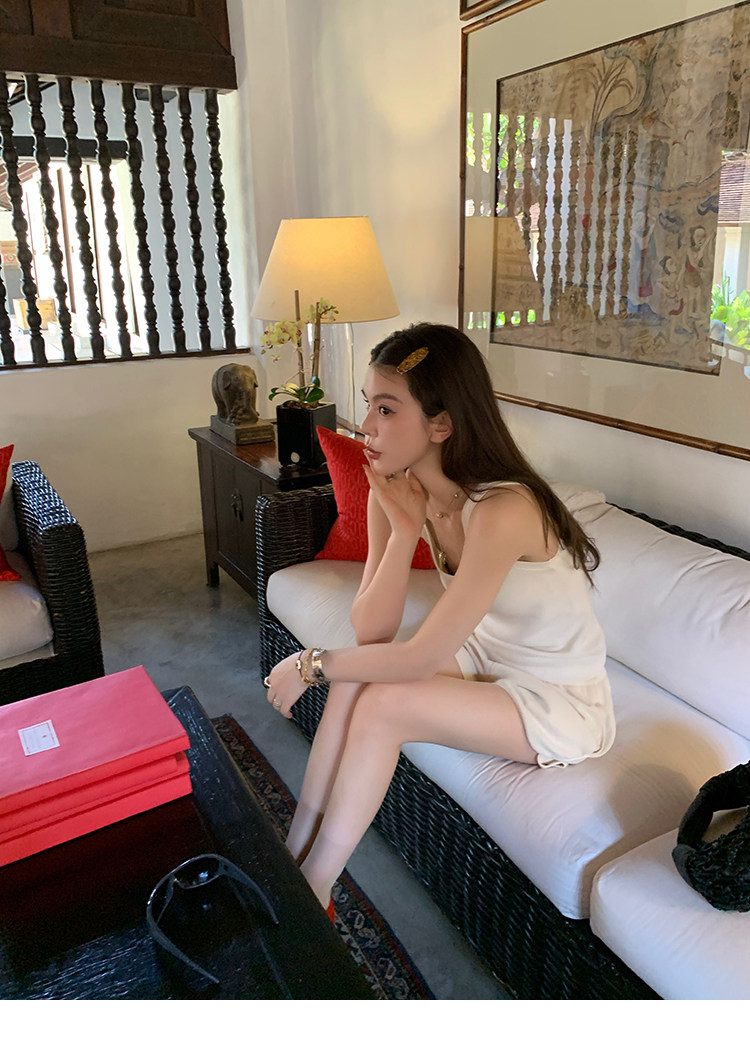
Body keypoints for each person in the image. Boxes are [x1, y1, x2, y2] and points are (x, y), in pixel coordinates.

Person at [263, 322, 615, 914]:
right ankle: (293, 852)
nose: (366, 426)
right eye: (368, 405)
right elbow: (372, 630)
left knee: (382, 704)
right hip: (486, 655)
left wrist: (309, 663)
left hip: (556, 696)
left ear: (441, 425)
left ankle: (313, 891)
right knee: (357, 679)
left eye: (386, 410)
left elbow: (420, 657)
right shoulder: (399, 489)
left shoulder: (504, 509)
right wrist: (404, 533)